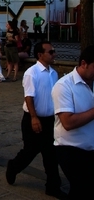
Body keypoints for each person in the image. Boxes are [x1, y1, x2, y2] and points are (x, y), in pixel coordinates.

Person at [6, 41, 67, 199]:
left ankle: (53, 186)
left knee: (51, 154)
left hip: (49, 120)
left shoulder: (53, 73)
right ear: (40, 55)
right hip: (33, 118)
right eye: (51, 52)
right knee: (30, 151)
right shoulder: (31, 73)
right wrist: (34, 117)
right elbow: (29, 97)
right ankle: (13, 166)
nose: (54, 54)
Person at [51, 45, 94, 200]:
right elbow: (67, 122)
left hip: (90, 147)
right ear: (84, 63)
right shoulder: (63, 86)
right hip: (71, 149)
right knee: (82, 189)